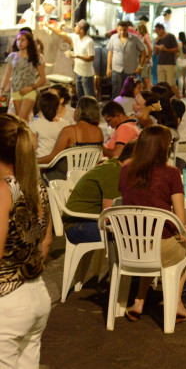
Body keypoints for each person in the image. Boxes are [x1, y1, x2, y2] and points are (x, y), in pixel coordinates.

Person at [119, 125, 186, 322]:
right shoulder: (171, 173)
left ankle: (139, 301)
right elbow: (179, 215)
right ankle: (177, 303)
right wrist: (183, 231)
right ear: (164, 147)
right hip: (159, 246)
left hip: (130, 245)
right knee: (184, 247)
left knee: (152, 242)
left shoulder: (125, 170)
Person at [0, 114, 52, 368]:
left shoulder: (3, 191)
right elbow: (45, 243)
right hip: (36, 292)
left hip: (7, 301)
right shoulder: (37, 186)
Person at [63, 141, 136, 244]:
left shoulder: (115, 164)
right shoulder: (115, 173)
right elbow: (109, 216)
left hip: (89, 220)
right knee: (132, 235)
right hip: (78, 226)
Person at [37, 96, 104, 167]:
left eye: (76, 108)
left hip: (67, 175)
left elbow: (53, 157)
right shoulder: (99, 132)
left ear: (79, 110)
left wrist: (34, 160)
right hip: (88, 174)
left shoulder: (69, 131)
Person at [44, 19, 95, 99]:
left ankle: (92, 111)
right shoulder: (75, 37)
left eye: (76, 27)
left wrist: (76, 56)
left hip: (86, 74)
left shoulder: (89, 41)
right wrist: (48, 26)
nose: (75, 28)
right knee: (80, 96)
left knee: (89, 97)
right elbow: (61, 33)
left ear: (81, 30)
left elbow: (91, 58)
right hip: (77, 71)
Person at [1, 30, 45, 121]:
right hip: (16, 90)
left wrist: (31, 88)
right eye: (18, 40)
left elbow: (43, 79)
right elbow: (7, 75)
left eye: (23, 40)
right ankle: (24, 134)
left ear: (28, 42)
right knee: (19, 119)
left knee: (22, 116)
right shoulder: (12, 56)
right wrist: (1, 89)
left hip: (30, 90)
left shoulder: (35, 57)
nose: (19, 42)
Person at [106, 20, 148, 99]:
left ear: (127, 29)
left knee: (130, 91)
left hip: (131, 70)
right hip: (116, 69)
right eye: (120, 30)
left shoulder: (135, 38)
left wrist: (140, 66)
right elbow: (110, 52)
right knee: (116, 91)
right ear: (117, 29)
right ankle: (116, 107)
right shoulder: (113, 38)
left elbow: (144, 52)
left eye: (124, 30)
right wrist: (108, 67)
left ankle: (129, 108)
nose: (122, 32)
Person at [30, 91, 67, 159]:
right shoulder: (65, 124)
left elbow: (34, 147)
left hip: (41, 160)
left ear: (40, 107)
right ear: (56, 107)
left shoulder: (35, 124)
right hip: (60, 160)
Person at [153, 22, 180, 86]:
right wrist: (156, 43)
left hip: (169, 63)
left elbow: (177, 49)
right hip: (160, 63)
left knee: (171, 84)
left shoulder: (170, 36)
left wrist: (166, 50)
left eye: (157, 31)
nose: (157, 33)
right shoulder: (158, 39)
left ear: (161, 30)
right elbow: (156, 52)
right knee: (160, 84)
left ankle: (178, 96)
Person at [135, 20, 154, 89]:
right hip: (147, 59)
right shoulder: (146, 36)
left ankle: (149, 94)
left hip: (146, 60)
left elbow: (150, 48)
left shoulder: (145, 37)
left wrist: (148, 58)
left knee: (146, 79)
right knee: (147, 79)